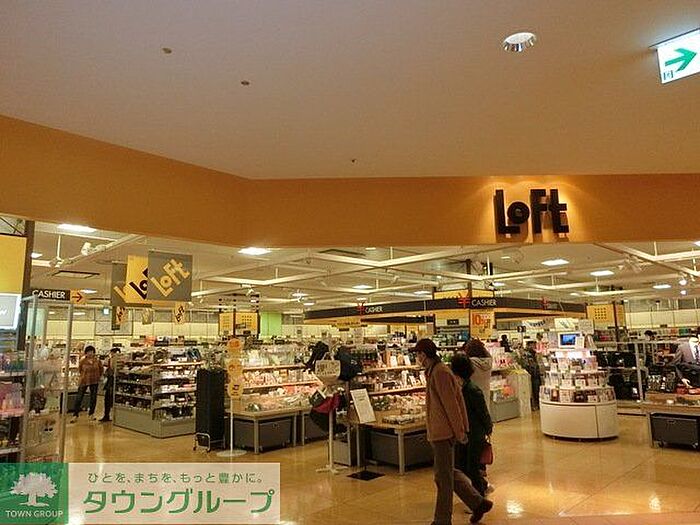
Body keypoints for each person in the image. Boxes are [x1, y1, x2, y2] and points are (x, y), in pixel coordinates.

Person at [412, 339, 493, 524]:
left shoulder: (440, 373)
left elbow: (452, 406)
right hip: (439, 431)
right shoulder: (434, 371)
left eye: (417, 354)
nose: (417, 358)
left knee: (443, 478)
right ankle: (478, 503)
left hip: (444, 433)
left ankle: (442, 519)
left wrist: (460, 432)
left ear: (423, 355)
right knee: (447, 473)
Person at [451, 352, 493, 496]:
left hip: (475, 433)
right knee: (465, 465)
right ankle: (483, 487)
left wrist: (488, 428)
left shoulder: (472, 390)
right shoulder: (462, 388)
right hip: (468, 431)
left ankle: (479, 497)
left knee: (472, 466)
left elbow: (483, 412)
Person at [70, 345, 103, 423]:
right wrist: (83, 376)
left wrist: (98, 376)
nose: (90, 353)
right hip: (84, 380)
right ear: (86, 353)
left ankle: (91, 414)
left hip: (94, 380)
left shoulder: (97, 361)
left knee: (93, 398)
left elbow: (101, 369)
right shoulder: (82, 361)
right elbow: (80, 370)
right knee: (79, 397)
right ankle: (75, 415)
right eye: (88, 352)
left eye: (91, 352)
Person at [462, 339, 493, 405]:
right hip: (485, 394)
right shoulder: (489, 362)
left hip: (472, 396)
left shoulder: (469, 363)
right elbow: (488, 355)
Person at [100, 347, 120, 422]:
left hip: (111, 380)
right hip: (113, 380)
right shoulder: (114, 359)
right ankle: (109, 416)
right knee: (110, 399)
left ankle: (107, 415)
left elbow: (112, 368)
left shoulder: (112, 359)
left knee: (108, 399)